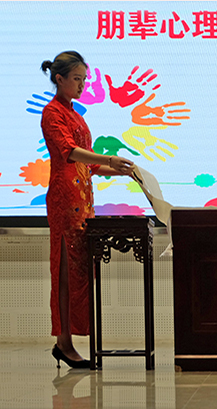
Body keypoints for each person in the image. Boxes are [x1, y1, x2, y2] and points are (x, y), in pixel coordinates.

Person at [41, 51, 135, 368]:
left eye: (84, 79)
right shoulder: (52, 113)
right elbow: (69, 153)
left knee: (81, 272)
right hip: (65, 200)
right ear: (59, 79)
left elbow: (89, 165)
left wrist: (119, 170)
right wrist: (108, 159)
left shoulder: (76, 115)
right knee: (65, 272)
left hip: (83, 201)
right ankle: (63, 343)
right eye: (76, 79)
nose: (82, 85)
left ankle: (69, 341)